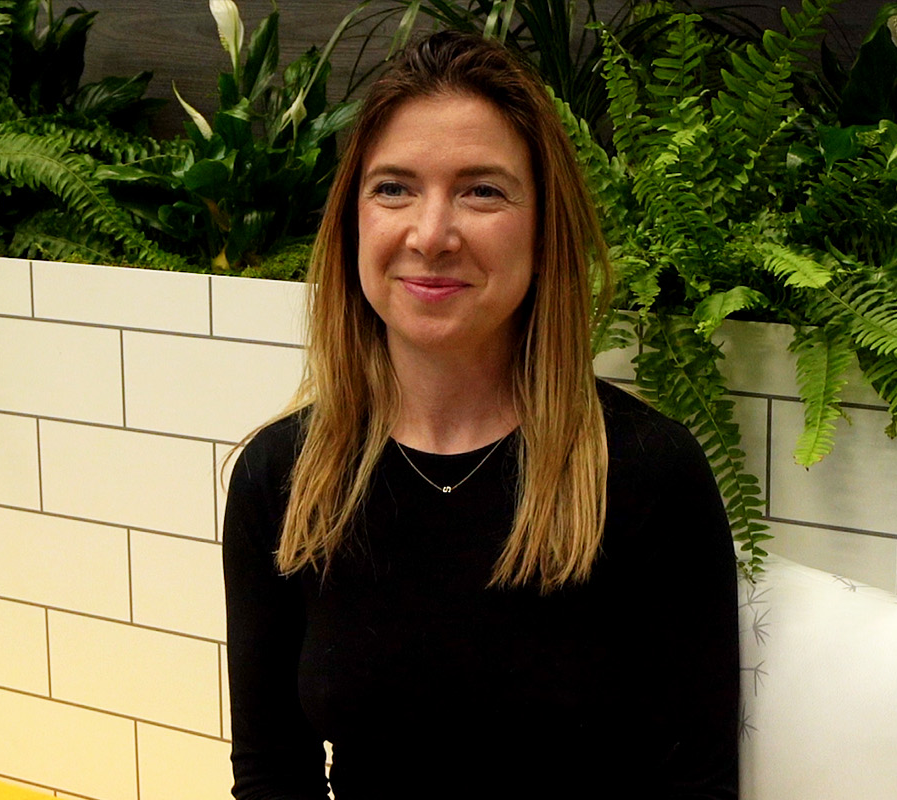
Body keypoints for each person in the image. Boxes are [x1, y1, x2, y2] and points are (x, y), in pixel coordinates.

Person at [220, 30, 741, 799]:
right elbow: (273, 773)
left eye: (482, 191)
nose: (431, 235)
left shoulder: (646, 472)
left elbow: (695, 786)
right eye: (394, 188)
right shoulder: (282, 477)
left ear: (544, 226)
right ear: (352, 222)